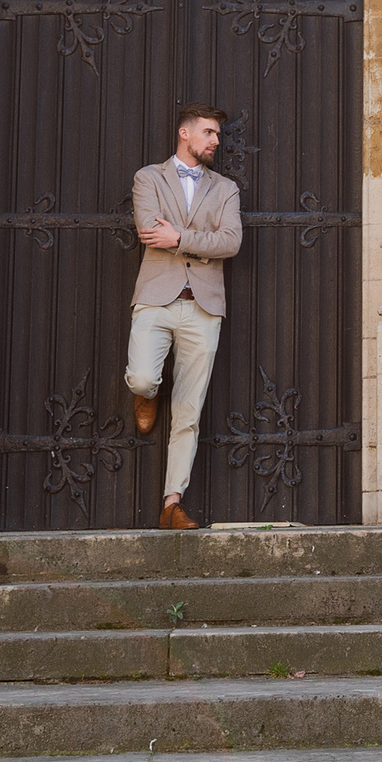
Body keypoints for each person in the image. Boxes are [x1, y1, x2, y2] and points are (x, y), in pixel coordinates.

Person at [127, 104, 243, 530]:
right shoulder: (148, 178)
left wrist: (178, 236)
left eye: (217, 135)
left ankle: (172, 502)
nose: (216, 141)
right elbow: (148, 230)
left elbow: (230, 242)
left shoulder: (226, 187)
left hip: (205, 305)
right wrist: (195, 241)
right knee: (142, 376)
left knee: (189, 410)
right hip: (157, 296)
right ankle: (146, 394)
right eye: (209, 133)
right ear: (185, 133)